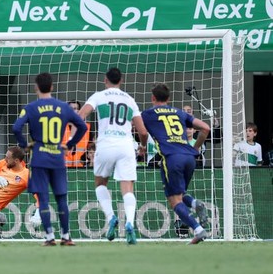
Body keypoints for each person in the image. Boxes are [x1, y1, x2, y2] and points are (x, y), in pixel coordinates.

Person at [12, 73, 87, 246]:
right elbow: (82, 125)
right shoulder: (63, 107)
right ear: (52, 87)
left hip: (39, 156)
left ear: (36, 87)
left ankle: (49, 237)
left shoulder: (31, 107)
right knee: (61, 198)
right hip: (57, 157)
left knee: (43, 198)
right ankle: (66, 236)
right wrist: (70, 144)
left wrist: (25, 145)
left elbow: (16, 127)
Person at [78, 67, 149, 244]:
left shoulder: (99, 96)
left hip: (105, 145)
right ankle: (130, 223)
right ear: (121, 80)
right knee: (127, 187)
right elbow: (143, 131)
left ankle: (111, 217)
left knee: (100, 183)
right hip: (125, 146)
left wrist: (75, 137)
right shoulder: (130, 100)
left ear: (105, 80)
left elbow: (81, 114)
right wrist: (142, 146)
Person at [141, 83, 211, 244]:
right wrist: (195, 148)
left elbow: (141, 130)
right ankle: (194, 203)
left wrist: (143, 147)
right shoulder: (179, 113)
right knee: (181, 193)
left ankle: (198, 230)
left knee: (174, 200)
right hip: (189, 157)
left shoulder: (148, 114)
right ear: (169, 98)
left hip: (172, 158)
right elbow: (206, 128)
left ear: (153, 98)